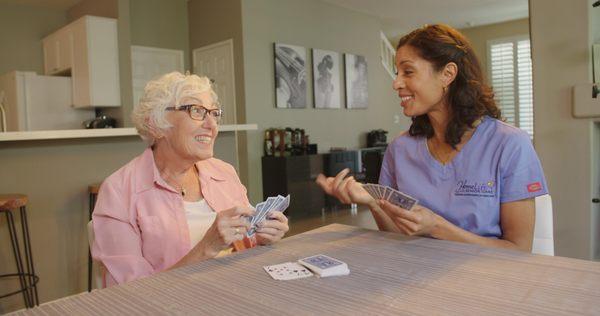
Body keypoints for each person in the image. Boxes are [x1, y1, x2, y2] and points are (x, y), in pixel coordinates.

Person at [317, 24, 547, 252]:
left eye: (408, 71)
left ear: (447, 74)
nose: (396, 83)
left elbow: (518, 250)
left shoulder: (509, 144)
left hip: (486, 279)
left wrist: (436, 226)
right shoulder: (399, 149)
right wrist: (373, 203)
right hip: (415, 274)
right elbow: (396, 236)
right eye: (397, 73)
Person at [92, 72, 289, 286]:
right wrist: (207, 248)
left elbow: (244, 242)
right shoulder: (119, 191)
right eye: (197, 111)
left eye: (214, 113)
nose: (212, 125)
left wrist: (261, 238)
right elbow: (130, 292)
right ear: (155, 124)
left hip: (238, 291)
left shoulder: (224, 172)